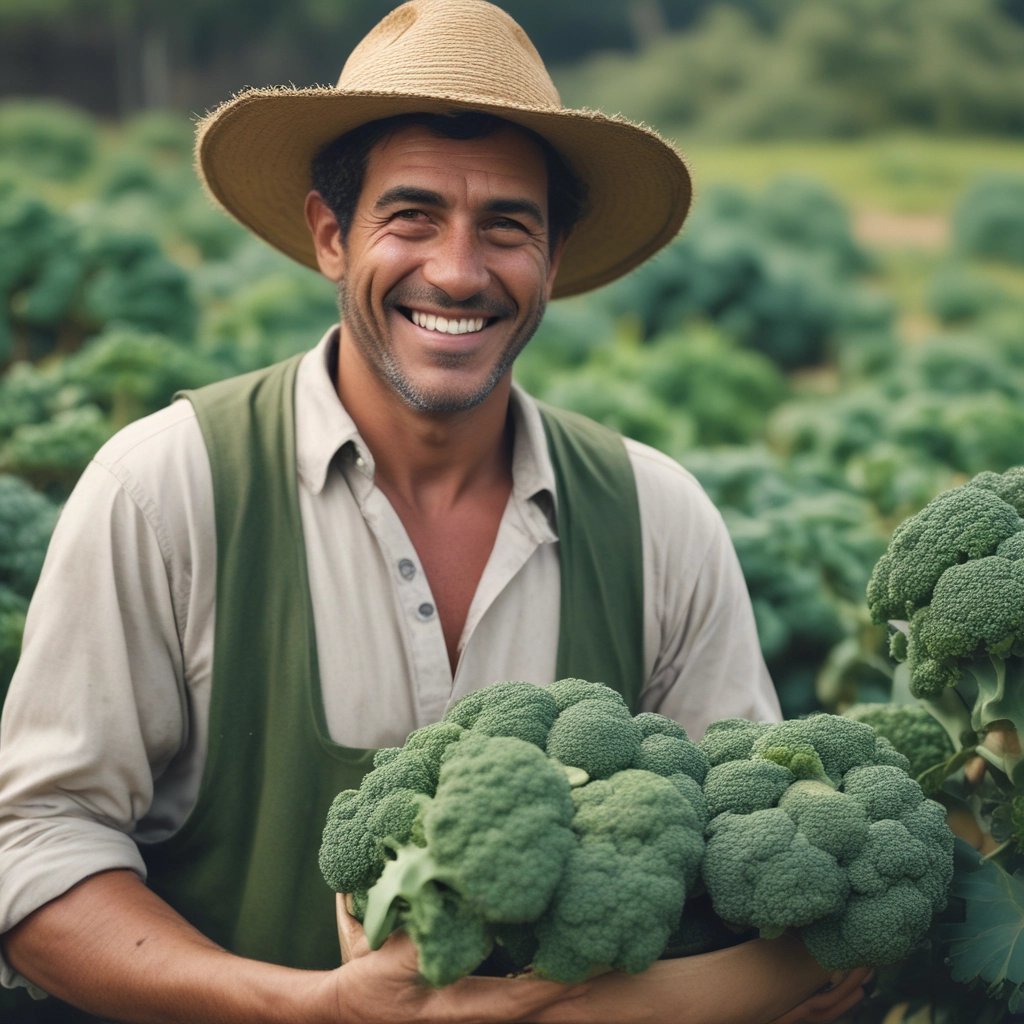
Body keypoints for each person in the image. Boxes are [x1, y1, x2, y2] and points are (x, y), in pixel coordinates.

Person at [0, 1, 871, 1021]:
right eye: (411, 216)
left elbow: (756, 849)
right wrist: (312, 1007)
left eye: (507, 226)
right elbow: (36, 846)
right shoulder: (166, 487)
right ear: (332, 234)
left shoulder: (659, 518)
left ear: (552, 257)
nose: (457, 271)